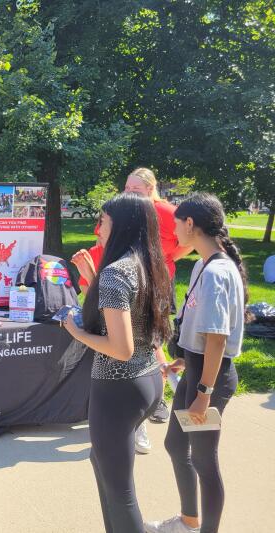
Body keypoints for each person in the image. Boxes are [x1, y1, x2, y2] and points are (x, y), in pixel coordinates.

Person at [63, 193, 172, 533]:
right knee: (106, 470)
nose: (98, 230)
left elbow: (119, 348)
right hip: (148, 379)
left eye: (104, 222)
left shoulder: (116, 273)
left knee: (119, 491)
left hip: (118, 387)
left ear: (121, 226)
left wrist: (74, 332)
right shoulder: (151, 266)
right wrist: (94, 276)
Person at [145, 193, 246, 533]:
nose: (172, 229)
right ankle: (189, 521)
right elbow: (202, 334)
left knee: (203, 459)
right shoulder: (203, 265)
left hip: (210, 380)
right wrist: (183, 359)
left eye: (176, 222)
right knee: (176, 444)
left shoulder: (217, 272)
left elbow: (217, 339)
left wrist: (204, 391)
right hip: (197, 369)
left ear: (191, 224)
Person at [77, 167, 193, 453]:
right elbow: (103, 241)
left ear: (151, 190)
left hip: (144, 285)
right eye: (126, 187)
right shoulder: (120, 221)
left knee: (148, 341)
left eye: (136, 189)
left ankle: (148, 409)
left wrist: (166, 258)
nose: (129, 192)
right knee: (145, 343)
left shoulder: (163, 213)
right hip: (127, 282)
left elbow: (121, 348)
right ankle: (150, 403)